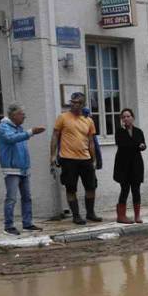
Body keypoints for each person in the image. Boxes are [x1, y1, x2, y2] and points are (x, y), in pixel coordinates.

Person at [50, 92, 102, 225]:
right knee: (71, 188)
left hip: (85, 159)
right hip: (68, 159)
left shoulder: (88, 120)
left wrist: (94, 159)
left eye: (77, 102)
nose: (73, 104)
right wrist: (53, 155)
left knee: (91, 187)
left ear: (83, 104)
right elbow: (55, 136)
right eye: (72, 102)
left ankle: (90, 213)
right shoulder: (62, 117)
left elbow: (91, 142)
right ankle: (76, 215)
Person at [0, 103, 46, 235]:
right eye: (22, 114)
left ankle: (27, 223)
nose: (24, 117)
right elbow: (11, 139)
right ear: (14, 115)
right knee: (11, 198)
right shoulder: (4, 127)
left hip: (23, 168)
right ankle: (8, 226)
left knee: (27, 197)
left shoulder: (19, 128)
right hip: (12, 168)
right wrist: (30, 132)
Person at [113, 108, 147, 224]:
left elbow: (143, 144)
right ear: (121, 119)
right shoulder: (119, 131)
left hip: (136, 164)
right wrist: (138, 145)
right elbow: (123, 145)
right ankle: (121, 216)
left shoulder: (138, 131)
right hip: (123, 165)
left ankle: (137, 216)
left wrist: (142, 146)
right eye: (124, 117)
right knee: (125, 189)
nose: (126, 118)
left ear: (133, 118)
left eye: (128, 116)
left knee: (136, 190)